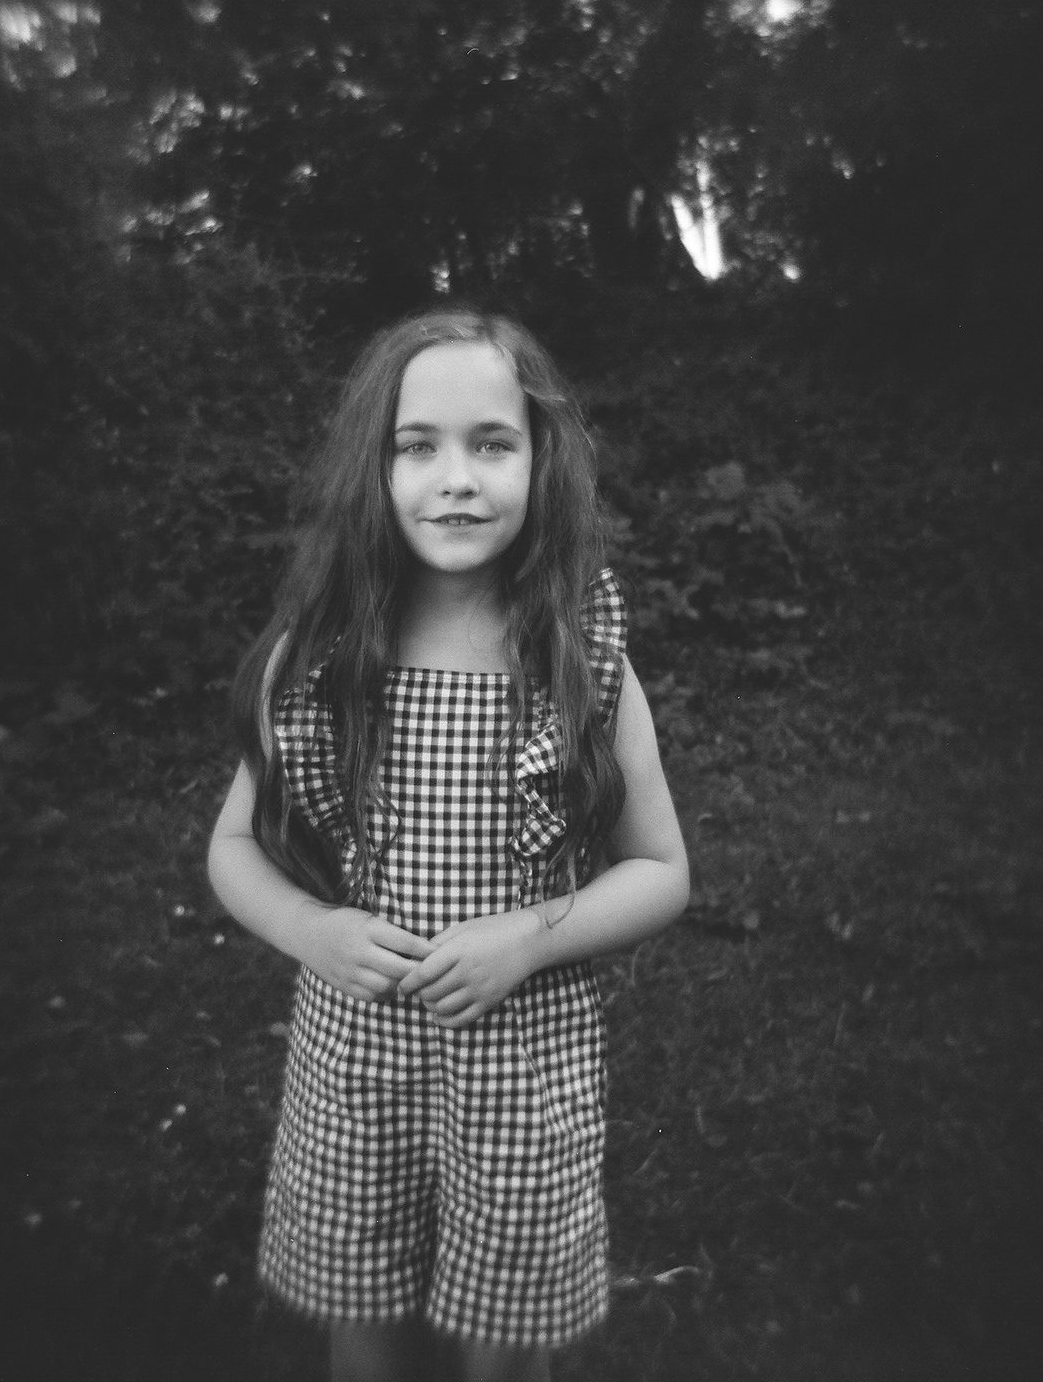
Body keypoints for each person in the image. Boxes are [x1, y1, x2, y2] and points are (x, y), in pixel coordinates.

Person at [207, 309, 690, 1382]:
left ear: (541, 462)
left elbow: (662, 871)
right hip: (354, 1063)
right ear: (371, 468)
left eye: (493, 443)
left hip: (524, 1068)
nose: (456, 478)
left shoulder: (582, 663)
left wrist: (530, 934)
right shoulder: (321, 657)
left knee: (504, 1339)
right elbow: (233, 843)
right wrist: (310, 927)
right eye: (417, 445)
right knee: (363, 1320)